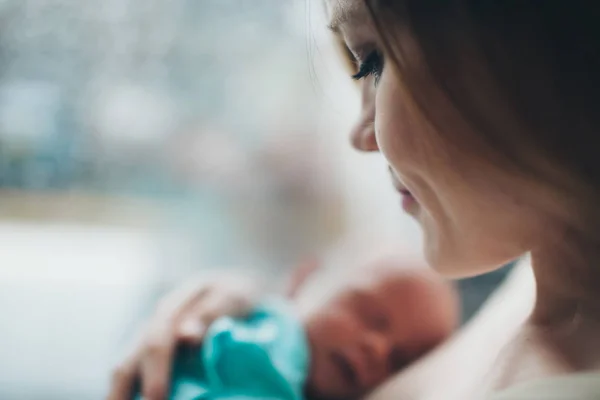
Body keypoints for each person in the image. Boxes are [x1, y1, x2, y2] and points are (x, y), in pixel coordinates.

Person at [108, 1, 600, 399]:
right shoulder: (533, 292)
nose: (360, 136)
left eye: (373, 63)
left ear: (530, 46)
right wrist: (266, 315)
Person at [131, 260, 457, 400]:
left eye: (401, 360)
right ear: (304, 278)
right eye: (368, 313)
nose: (378, 348)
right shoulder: (269, 333)